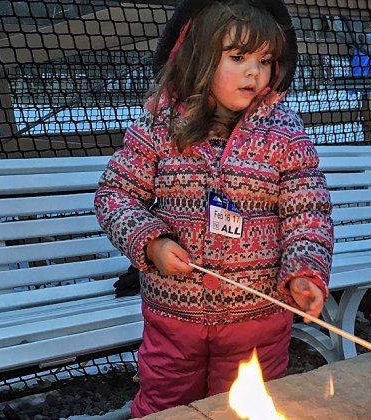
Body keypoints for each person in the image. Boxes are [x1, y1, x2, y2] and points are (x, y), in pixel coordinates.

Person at [94, 0, 334, 417]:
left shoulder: (285, 135)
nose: (254, 71)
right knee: (165, 407)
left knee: (244, 409)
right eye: (238, 57)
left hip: (257, 317)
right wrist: (152, 243)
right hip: (174, 316)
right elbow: (115, 195)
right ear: (199, 57)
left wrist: (304, 271)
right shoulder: (161, 127)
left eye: (265, 60)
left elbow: (307, 214)